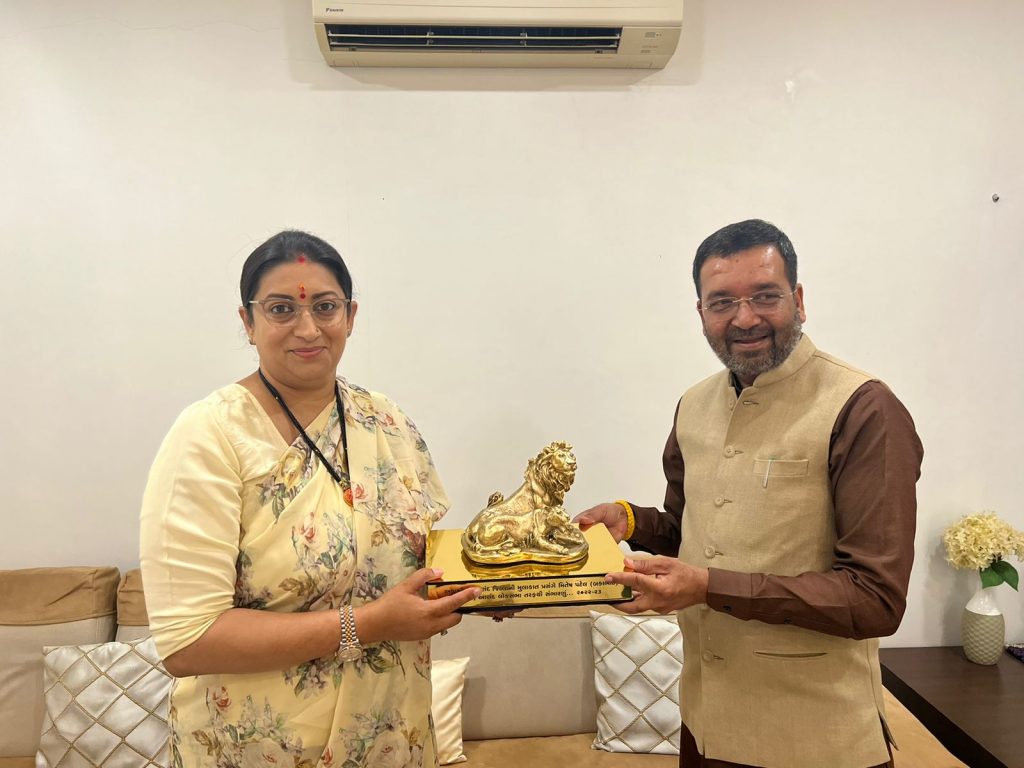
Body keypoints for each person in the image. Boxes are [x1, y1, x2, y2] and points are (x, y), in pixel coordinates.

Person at [576, 219, 923, 768]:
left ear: (798, 300)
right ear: (701, 313)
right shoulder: (694, 404)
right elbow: (692, 530)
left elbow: (875, 598)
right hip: (704, 725)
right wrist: (631, 521)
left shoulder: (863, 407)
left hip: (817, 739)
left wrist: (708, 587)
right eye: (722, 302)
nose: (744, 319)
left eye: (765, 296)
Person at [140, 230, 478, 767]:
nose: (307, 328)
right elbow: (187, 641)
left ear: (351, 315)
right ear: (248, 322)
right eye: (281, 309)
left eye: (325, 306)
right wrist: (368, 624)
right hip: (257, 748)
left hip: (392, 739)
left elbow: (426, 562)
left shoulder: (386, 421)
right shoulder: (211, 434)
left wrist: (496, 585)